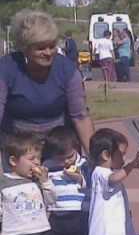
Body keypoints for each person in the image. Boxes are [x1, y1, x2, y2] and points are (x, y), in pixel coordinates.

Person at [0, 10, 94, 149]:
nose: (48, 53)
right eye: (41, 48)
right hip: (17, 147)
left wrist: (96, 161)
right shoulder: (6, 68)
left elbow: (80, 117)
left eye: (52, 46)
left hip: (60, 146)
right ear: (25, 49)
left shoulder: (68, 70)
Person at [43, 126, 89, 235]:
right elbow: (46, 187)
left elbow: (89, 185)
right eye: (60, 158)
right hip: (57, 215)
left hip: (78, 214)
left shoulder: (83, 164)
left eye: (69, 157)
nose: (65, 162)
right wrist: (43, 178)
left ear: (76, 148)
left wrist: (79, 177)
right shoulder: (48, 165)